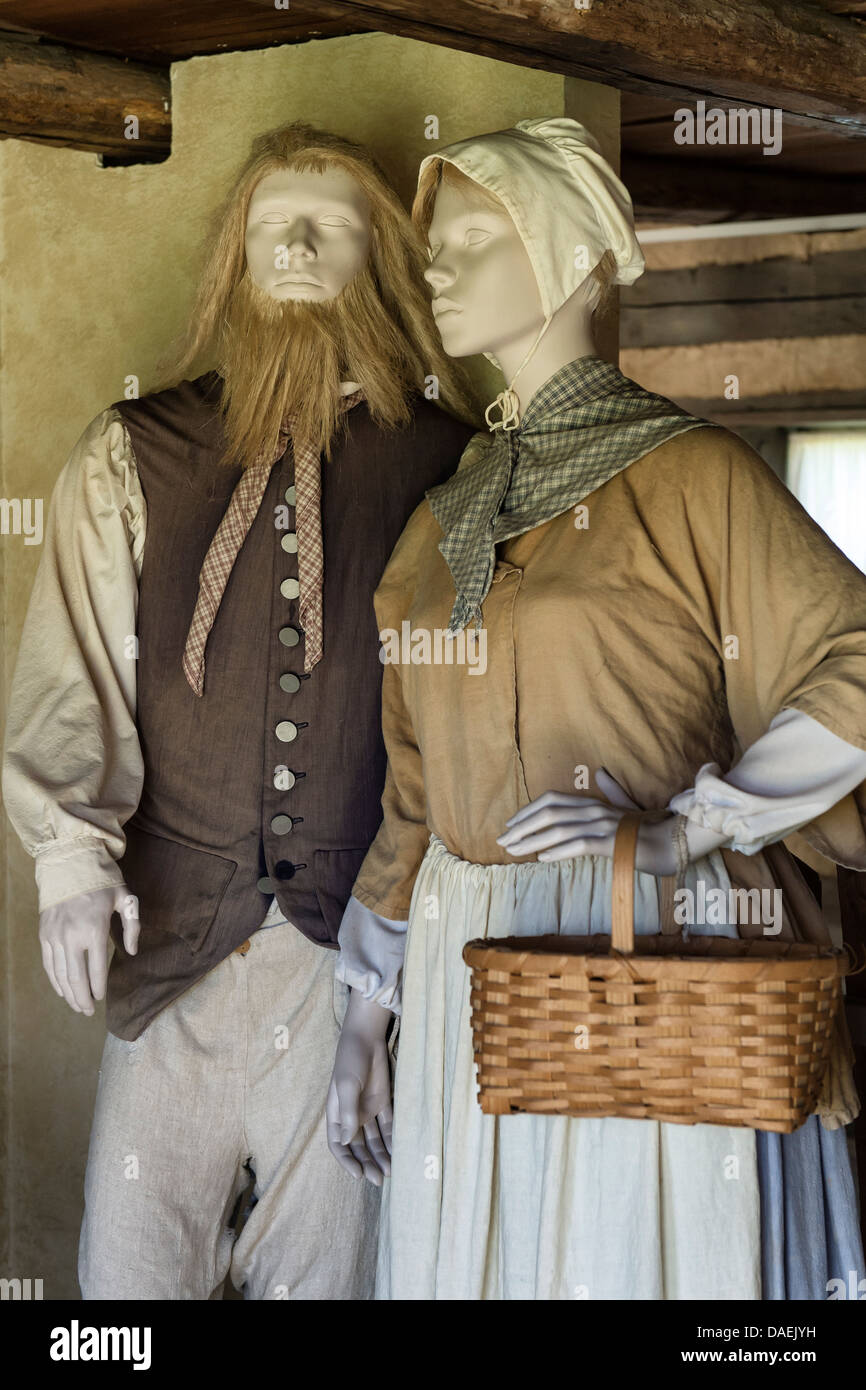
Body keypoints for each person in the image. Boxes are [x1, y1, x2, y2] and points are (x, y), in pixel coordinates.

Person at [328, 118, 866, 1299]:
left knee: (637, 1264)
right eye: (436, 247)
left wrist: (696, 825)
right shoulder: (441, 520)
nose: (436, 268)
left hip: (648, 955)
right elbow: (412, 791)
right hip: (474, 968)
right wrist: (364, 1015)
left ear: (570, 257)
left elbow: (854, 660)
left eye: (473, 239)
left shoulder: (695, 475)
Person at [2, 121, 476, 1300]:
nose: (302, 246)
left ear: (378, 257)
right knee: (125, 1273)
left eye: (333, 225)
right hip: (171, 949)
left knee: (332, 1272)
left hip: (357, 963)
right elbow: (74, 668)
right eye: (275, 225)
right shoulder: (134, 452)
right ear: (235, 257)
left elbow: (481, 709)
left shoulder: (451, 464)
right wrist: (68, 864)